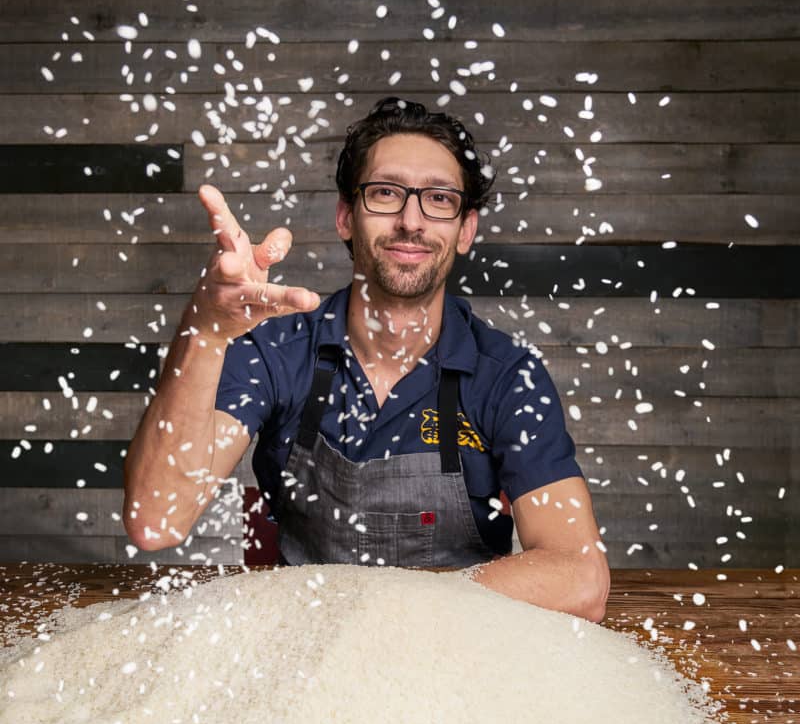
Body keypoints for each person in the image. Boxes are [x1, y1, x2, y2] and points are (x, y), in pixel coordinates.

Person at [124, 97, 610, 621]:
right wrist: (206, 329)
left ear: (465, 230)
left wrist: (377, 608)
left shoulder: (507, 377)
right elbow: (156, 520)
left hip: (461, 651)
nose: (410, 220)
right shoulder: (275, 350)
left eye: (439, 200)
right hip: (301, 649)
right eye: (385, 193)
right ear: (345, 217)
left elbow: (579, 578)